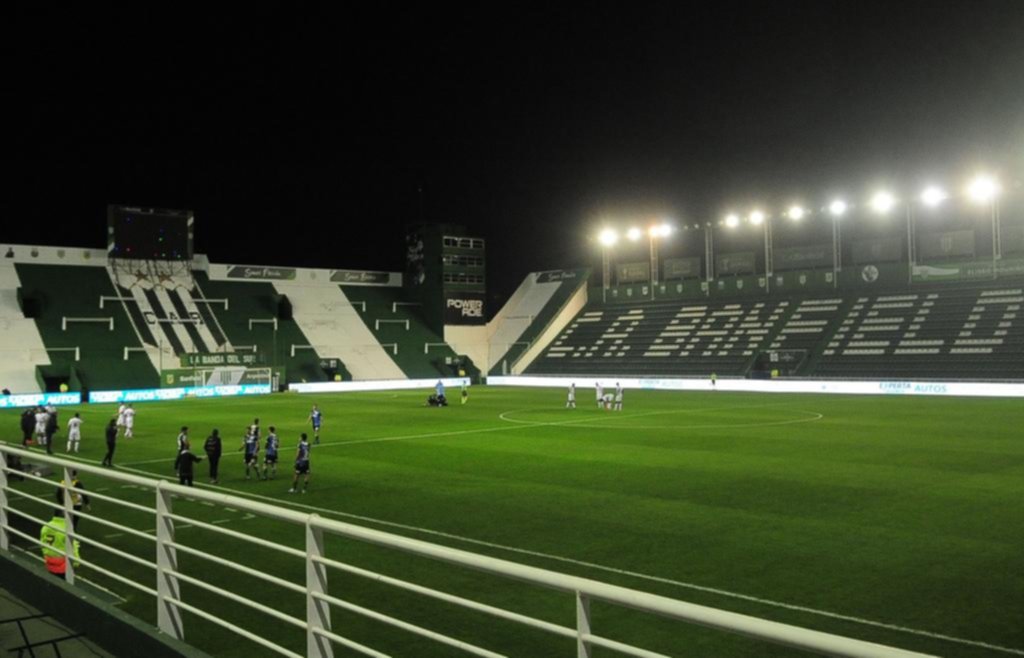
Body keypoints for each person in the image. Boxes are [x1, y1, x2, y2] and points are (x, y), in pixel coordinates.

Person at [40, 509, 80, 579]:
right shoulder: (67, 528)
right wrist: (76, 563)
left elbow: (42, 543)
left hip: (49, 562)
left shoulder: (46, 526)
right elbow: (73, 547)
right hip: (64, 565)